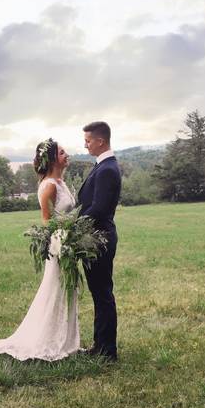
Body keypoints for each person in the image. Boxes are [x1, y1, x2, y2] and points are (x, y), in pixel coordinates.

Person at [0, 138, 80, 361]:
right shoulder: (49, 186)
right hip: (59, 244)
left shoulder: (61, 182)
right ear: (53, 158)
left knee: (68, 290)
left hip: (69, 241)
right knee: (56, 289)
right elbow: (48, 222)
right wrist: (69, 232)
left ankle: (66, 340)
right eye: (62, 152)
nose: (67, 155)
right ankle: (48, 340)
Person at [78, 121, 120, 361]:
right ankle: (100, 345)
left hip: (99, 239)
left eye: (88, 141)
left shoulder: (107, 169)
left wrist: (72, 224)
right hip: (95, 238)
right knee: (99, 293)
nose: (85, 145)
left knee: (103, 294)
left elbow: (99, 209)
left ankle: (107, 351)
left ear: (100, 141)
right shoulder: (103, 166)